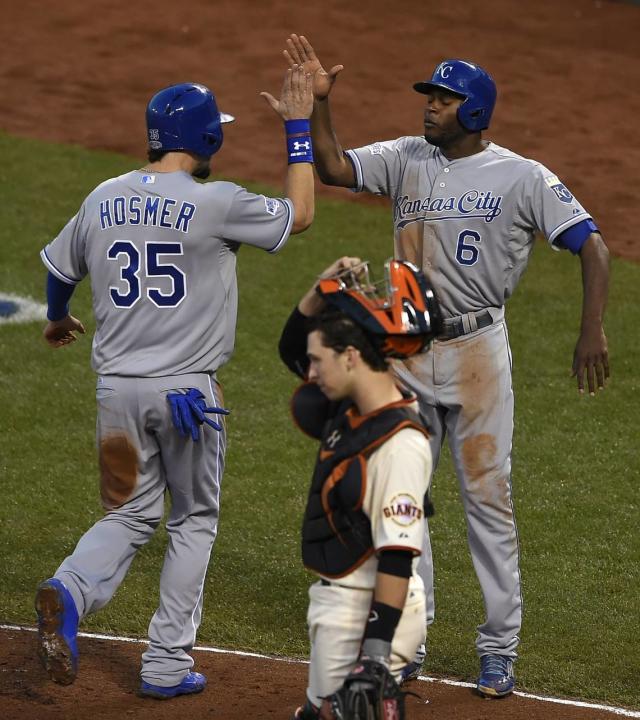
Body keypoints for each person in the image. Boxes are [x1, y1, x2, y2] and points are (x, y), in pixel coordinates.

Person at [281, 35, 610, 697]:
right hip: (408, 353)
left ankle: (499, 649)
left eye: (444, 98)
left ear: (476, 111)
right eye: (429, 95)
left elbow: (593, 246)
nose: (430, 106)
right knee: (406, 501)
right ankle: (407, 644)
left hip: (479, 354)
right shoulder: (407, 157)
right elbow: (336, 167)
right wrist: (320, 106)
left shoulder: (524, 176)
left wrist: (591, 332)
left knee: (490, 500)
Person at [35, 67, 316, 699]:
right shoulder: (216, 202)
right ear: (207, 139)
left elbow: (58, 264)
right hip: (188, 396)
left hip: (116, 395)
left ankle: (71, 589)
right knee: (192, 521)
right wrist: (297, 127)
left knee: (130, 513)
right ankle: (165, 665)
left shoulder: (102, 195)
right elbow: (298, 215)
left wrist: (57, 319)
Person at [278, 256, 441, 719]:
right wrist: (320, 288)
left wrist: (373, 656)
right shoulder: (346, 410)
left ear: (350, 357)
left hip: (366, 612)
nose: (309, 373)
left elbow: (398, 553)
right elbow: (293, 348)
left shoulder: (401, 444)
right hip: (341, 605)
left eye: (318, 362)